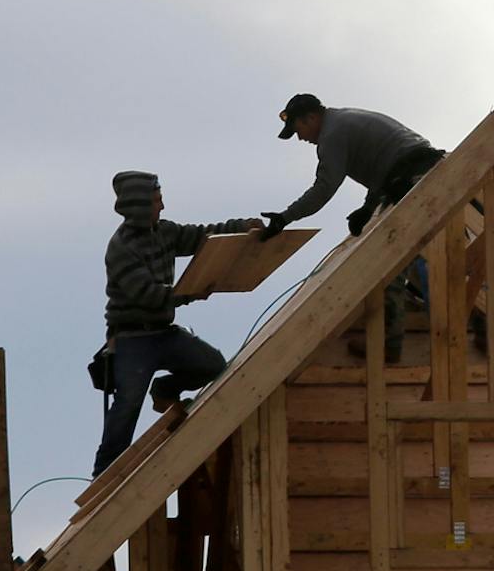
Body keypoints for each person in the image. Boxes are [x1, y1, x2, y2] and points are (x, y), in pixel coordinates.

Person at [258, 93, 448, 362]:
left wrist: (284, 218)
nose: (300, 138)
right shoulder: (345, 119)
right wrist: (368, 208)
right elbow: (386, 164)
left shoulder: (332, 135)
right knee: (434, 256)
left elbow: (323, 189)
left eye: (298, 129)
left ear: (311, 118)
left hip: (413, 181)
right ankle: (475, 324)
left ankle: (393, 344)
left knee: (392, 262)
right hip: (425, 174)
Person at [93, 170, 260, 474]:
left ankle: (165, 390)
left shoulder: (165, 232)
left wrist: (242, 227)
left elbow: (203, 237)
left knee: (212, 365)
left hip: (163, 333)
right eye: (157, 200)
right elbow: (147, 295)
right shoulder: (121, 247)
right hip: (132, 338)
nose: (163, 206)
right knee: (127, 406)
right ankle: (104, 476)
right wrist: (189, 294)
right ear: (140, 206)